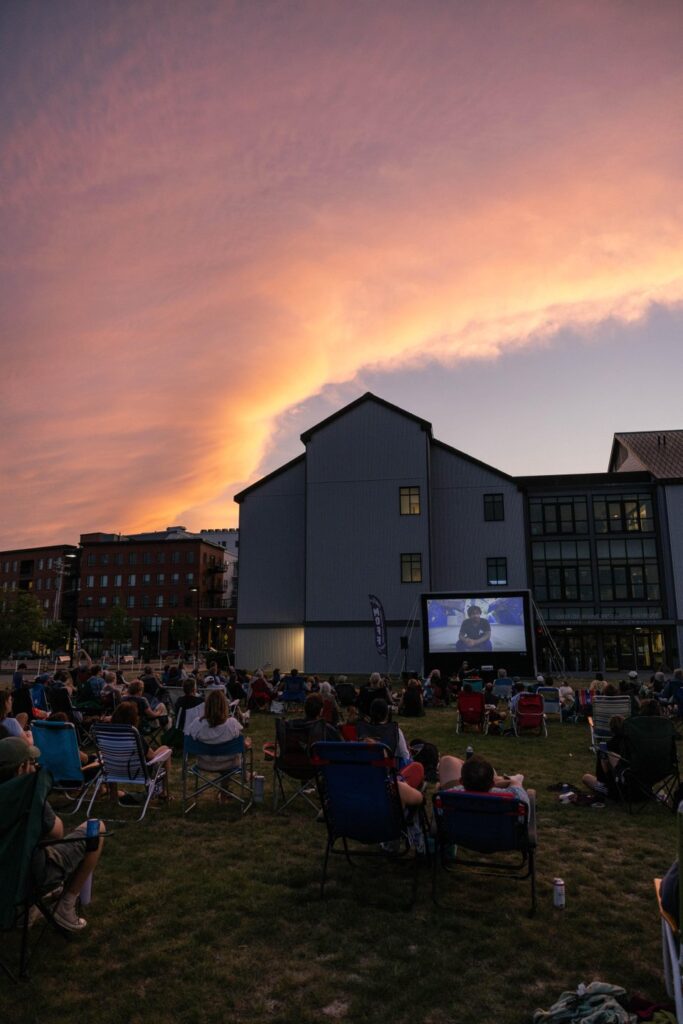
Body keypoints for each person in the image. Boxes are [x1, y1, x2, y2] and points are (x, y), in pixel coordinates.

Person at [0, 736, 105, 931]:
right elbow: (57, 832)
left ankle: (26, 910)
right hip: (31, 875)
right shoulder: (28, 798)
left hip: (4, 883)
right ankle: (66, 906)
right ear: (21, 769)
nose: (35, 768)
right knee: (96, 827)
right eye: (32, 763)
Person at [437, 751, 529, 807]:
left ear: (461, 781)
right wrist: (509, 781)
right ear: (492, 784)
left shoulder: (449, 797)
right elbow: (515, 783)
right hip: (499, 838)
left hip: (458, 837)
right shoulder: (513, 800)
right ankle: (498, 777)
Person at [188, 689, 246, 774]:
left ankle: (225, 782)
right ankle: (241, 776)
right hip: (229, 764)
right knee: (236, 747)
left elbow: (189, 740)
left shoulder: (197, 724)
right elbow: (241, 743)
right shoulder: (232, 724)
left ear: (207, 705)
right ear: (224, 706)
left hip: (204, 764)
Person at [582, 715, 627, 798]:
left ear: (611, 729)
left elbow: (603, 774)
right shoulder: (631, 745)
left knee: (586, 777)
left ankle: (607, 791)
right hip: (631, 782)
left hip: (614, 787)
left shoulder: (606, 747)